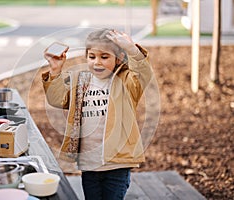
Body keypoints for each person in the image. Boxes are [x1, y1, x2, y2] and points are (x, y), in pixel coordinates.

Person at [42, 28, 153, 200]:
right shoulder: (80, 81)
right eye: (92, 57)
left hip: (117, 165)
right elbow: (56, 98)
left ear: (119, 59)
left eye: (104, 57)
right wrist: (55, 70)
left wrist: (131, 49)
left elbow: (143, 72)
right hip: (89, 166)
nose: (97, 62)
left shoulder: (127, 82)